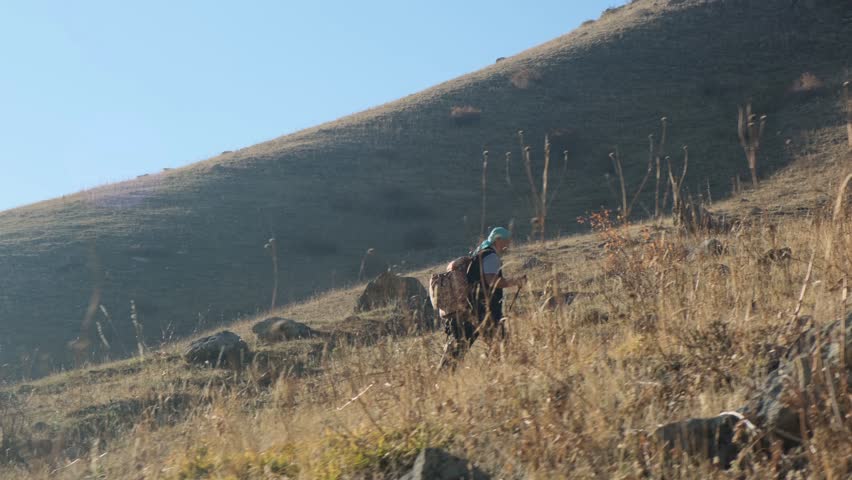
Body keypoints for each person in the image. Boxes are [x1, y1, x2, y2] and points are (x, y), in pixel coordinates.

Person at [441, 227, 527, 367]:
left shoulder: (479, 253)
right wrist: (515, 281)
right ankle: (500, 374)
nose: (509, 245)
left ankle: (443, 377)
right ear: (498, 240)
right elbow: (492, 281)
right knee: (501, 346)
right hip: (485, 311)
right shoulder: (491, 256)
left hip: (470, 309)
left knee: (459, 348)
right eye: (507, 241)